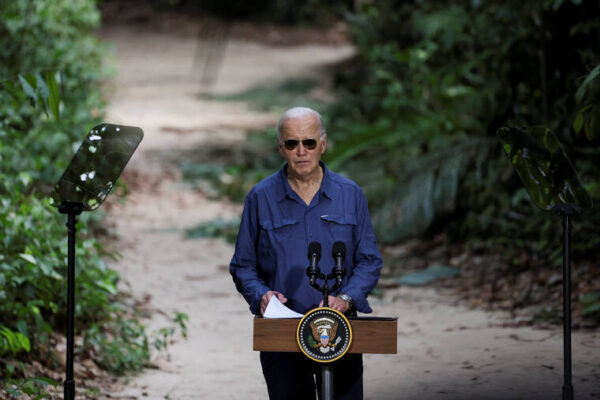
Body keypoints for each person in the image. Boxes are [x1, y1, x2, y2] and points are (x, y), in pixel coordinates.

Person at [230, 106, 383, 400]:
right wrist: (260, 294)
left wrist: (347, 297)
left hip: (340, 329)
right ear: (281, 147)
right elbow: (243, 265)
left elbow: (369, 260)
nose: (301, 151)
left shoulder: (350, 194)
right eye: (292, 143)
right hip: (283, 328)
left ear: (322, 144)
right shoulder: (261, 197)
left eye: (309, 143)